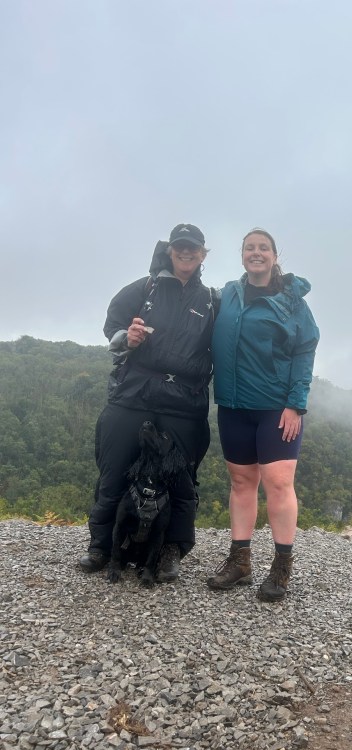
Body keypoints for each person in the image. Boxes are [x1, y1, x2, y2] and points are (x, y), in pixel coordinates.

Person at [80, 223, 218, 581]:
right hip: (132, 394)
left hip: (183, 403)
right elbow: (112, 325)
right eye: (179, 247)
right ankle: (101, 547)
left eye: (193, 248)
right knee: (114, 471)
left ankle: (172, 550)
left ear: (204, 254)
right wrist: (128, 337)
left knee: (183, 479)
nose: (186, 253)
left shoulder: (212, 301)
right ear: (169, 251)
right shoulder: (144, 288)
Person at [206, 228, 319, 601]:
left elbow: (305, 349)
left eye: (263, 248)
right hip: (234, 405)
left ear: (273, 256)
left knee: (278, 483)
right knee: (241, 482)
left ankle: (282, 566)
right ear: (242, 256)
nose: (256, 253)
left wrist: (296, 402)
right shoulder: (228, 296)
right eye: (249, 248)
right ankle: (240, 561)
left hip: (275, 406)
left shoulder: (291, 300)